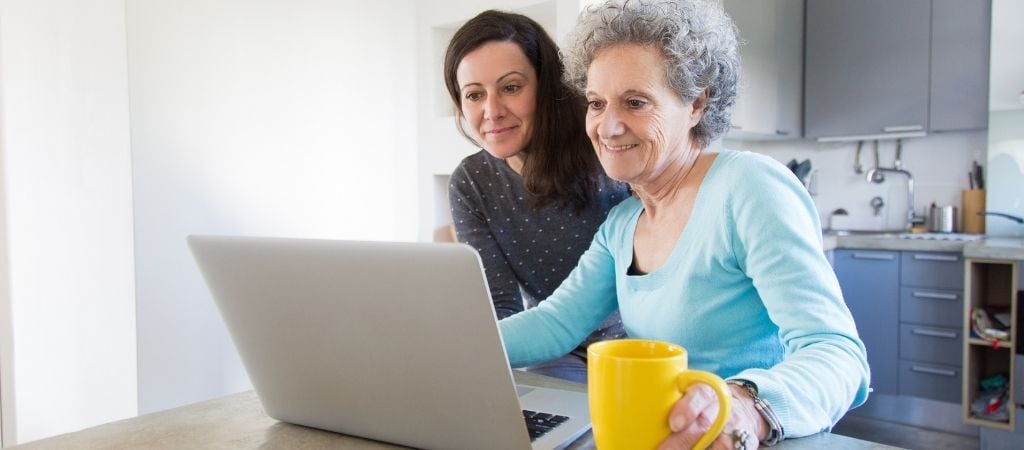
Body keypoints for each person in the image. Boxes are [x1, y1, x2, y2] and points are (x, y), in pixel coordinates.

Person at [497, 0, 870, 448]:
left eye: (635, 102)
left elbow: (837, 353)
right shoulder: (623, 223)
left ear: (696, 104)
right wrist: (448, 345)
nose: (608, 126)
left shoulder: (748, 187)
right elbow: (555, 323)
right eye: (596, 103)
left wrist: (747, 409)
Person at [443, 10, 631, 383]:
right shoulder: (472, 182)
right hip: (553, 352)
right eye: (474, 95)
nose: (492, 112)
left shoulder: (605, 146)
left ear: (546, 86)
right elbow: (501, 308)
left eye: (511, 87)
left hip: (637, 348)